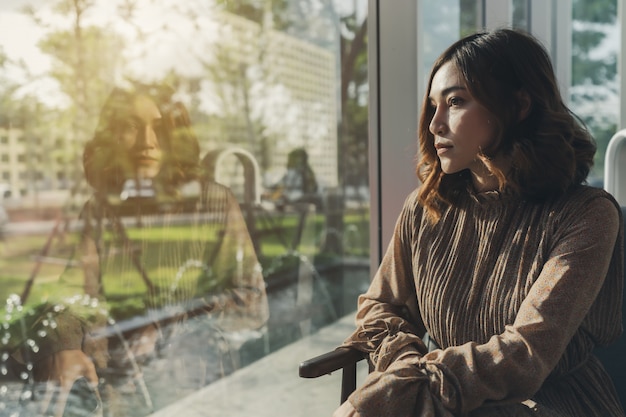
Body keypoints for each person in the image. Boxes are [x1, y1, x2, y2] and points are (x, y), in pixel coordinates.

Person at [333, 28, 624, 417]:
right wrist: (407, 370)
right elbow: (381, 306)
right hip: (446, 403)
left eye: (455, 102)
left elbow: (525, 354)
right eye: (433, 105)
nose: (435, 124)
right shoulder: (424, 208)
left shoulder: (587, 215)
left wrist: (401, 392)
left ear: (519, 105)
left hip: (553, 405)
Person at [11, 83, 269, 417]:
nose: (148, 141)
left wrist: (166, 323)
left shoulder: (214, 202)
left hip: (192, 385)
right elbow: (74, 292)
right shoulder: (101, 209)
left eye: (159, 128)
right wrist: (65, 346)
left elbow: (251, 301)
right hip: (114, 386)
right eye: (132, 126)